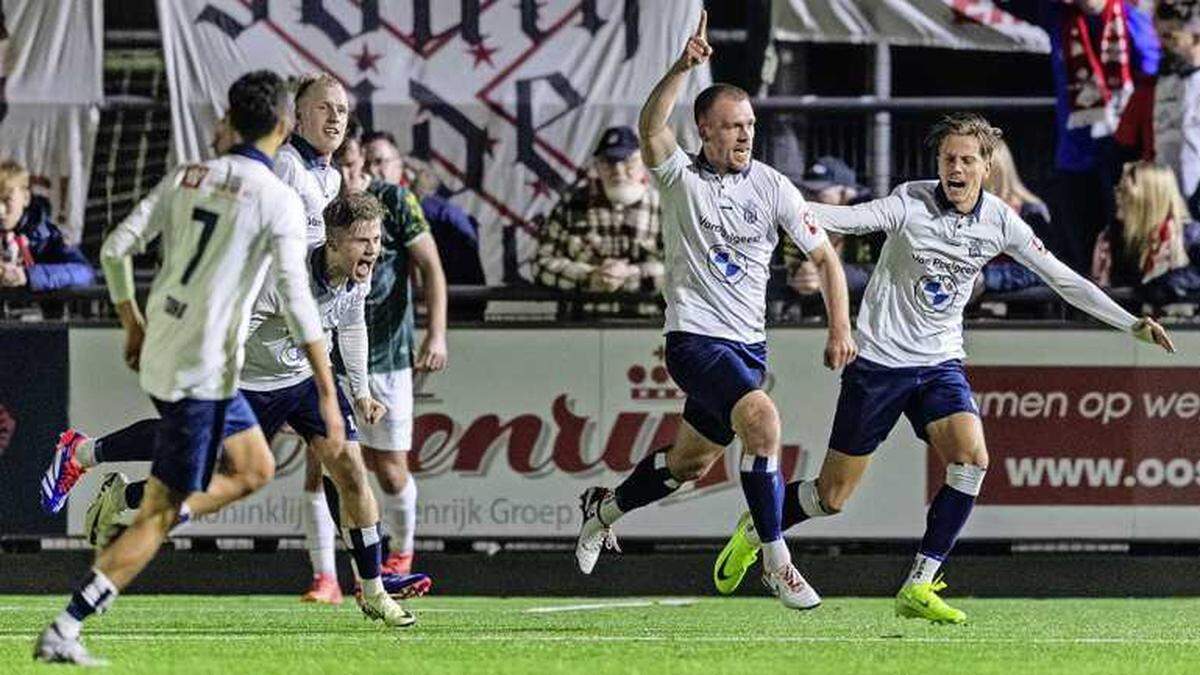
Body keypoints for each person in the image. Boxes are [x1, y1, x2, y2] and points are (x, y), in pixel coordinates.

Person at [712, 112, 1176, 625]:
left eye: (966, 159)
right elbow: (846, 219)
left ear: (986, 166)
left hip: (940, 364)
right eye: (947, 158)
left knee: (972, 460)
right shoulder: (910, 201)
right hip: (880, 366)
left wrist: (1132, 323)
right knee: (831, 497)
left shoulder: (1000, 219)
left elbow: (1064, 279)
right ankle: (758, 527)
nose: (955, 168)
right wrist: (777, 204)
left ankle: (920, 582)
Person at [32, 70, 340, 665]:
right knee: (165, 510)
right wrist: (326, 387)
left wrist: (131, 322)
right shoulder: (277, 196)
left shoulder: (188, 176)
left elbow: (115, 248)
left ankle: (140, 495)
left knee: (255, 467)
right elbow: (299, 299)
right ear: (282, 125)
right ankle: (68, 625)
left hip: (168, 348)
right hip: (203, 365)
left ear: (230, 118)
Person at [572, 11, 857, 610]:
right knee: (763, 423)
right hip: (695, 340)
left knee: (686, 465)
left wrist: (839, 328)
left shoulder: (774, 186)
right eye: (732, 127)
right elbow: (651, 128)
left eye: (750, 125)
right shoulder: (681, 180)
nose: (745, 135)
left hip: (748, 347)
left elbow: (827, 259)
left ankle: (604, 511)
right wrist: (681, 67)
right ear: (704, 130)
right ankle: (777, 562)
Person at [42, 194, 431, 603]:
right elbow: (237, 328)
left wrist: (361, 391)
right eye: (362, 240)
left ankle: (372, 585)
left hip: (302, 382)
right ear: (332, 243)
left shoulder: (359, 268)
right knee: (202, 472)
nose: (372, 249)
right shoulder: (283, 276)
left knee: (349, 465)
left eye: (376, 239)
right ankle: (89, 459)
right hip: (248, 382)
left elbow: (351, 324)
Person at [337, 122, 448, 577]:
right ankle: (327, 573)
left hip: (386, 353)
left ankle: (401, 553)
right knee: (331, 467)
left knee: (390, 470)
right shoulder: (317, 201)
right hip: (330, 356)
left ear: (361, 158)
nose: (342, 175)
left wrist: (436, 333)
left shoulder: (396, 200)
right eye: (334, 164)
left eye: (349, 163)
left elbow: (431, 267)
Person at [274, 72, 351, 603]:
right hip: (266, 336)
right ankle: (98, 462)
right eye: (323, 108)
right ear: (298, 116)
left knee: (337, 450)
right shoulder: (285, 166)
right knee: (215, 460)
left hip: (304, 338)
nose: (334, 118)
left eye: (342, 110)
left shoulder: (334, 178)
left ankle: (354, 574)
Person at [532, 125, 665, 298]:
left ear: (643, 161)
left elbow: (685, 268)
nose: (618, 170)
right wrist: (589, 277)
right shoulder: (572, 205)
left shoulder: (664, 207)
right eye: (608, 162)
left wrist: (630, 274)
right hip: (581, 320)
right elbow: (541, 265)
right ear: (597, 166)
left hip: (644, 320)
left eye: (627, 161)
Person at [1093, 160, 1200, 302]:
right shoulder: (1111, 238)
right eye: (1118, 188)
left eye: (1124, 190)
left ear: (1151, 199)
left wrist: (1159, 287)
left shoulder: (1191, 239)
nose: (1117, 195)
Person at [783, 156, 873, 299]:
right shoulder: (797, 226)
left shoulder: (867, 226)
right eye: (807, 192)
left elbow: (873, 277)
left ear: (846, 194)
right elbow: (781, 269)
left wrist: (827, 276)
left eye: (819, 192)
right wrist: (795, 277)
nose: (810, 199)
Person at [0, 160, 94, 291]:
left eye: (7, 199)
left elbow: (83, 273)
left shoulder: (46, 235)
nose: (1, 210)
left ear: (26, 198)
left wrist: (28, 276)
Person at [977, 139, 1053, 295]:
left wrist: (987, 278)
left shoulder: (1032, 213)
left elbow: (1041, 271)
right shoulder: (962, 211)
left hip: (1021, 310)